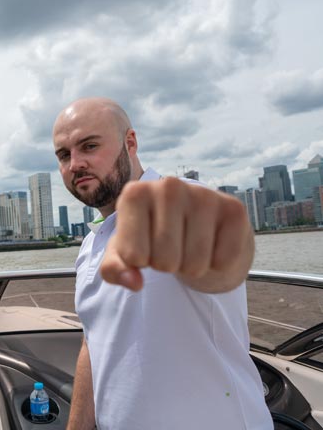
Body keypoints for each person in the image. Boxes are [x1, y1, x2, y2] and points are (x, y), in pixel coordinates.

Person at [52, 97, 272, 429]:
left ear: (130, 143)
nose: (76, 164)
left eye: (90, 146)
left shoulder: (181, 203)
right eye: (64, 155)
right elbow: (93, 341)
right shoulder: (89, 245)